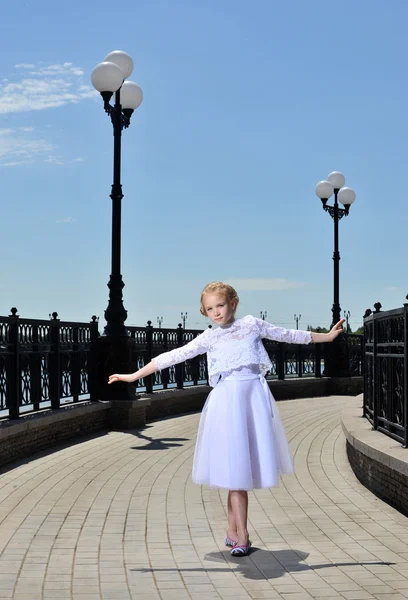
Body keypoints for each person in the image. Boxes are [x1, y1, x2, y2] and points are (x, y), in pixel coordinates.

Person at [108, 281, 345, 556]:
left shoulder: (251, 325)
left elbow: (287, 334)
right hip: (225, 403)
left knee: (239, 470)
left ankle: (234, 531)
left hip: (252, 400)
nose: (216, 313)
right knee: (236, 470)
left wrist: (327, 338)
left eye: (220, 305)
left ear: (233, 303)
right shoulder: (210, 337)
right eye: (209, 309)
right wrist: (133, 376)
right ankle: (240, 535)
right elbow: (173, 356)